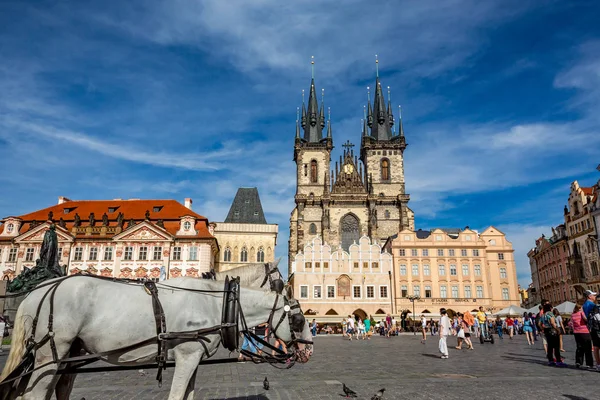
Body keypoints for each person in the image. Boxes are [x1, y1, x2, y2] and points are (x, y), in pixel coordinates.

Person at [571, 303, 594, 369]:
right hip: (584, 332)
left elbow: (570, 323)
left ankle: (578, 362)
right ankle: (589, 364)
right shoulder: (581, 313)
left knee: (579, 347)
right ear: (580, 308)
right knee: (588, 348)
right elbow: (586, 319)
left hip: (576, 333)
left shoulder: (572, 315)